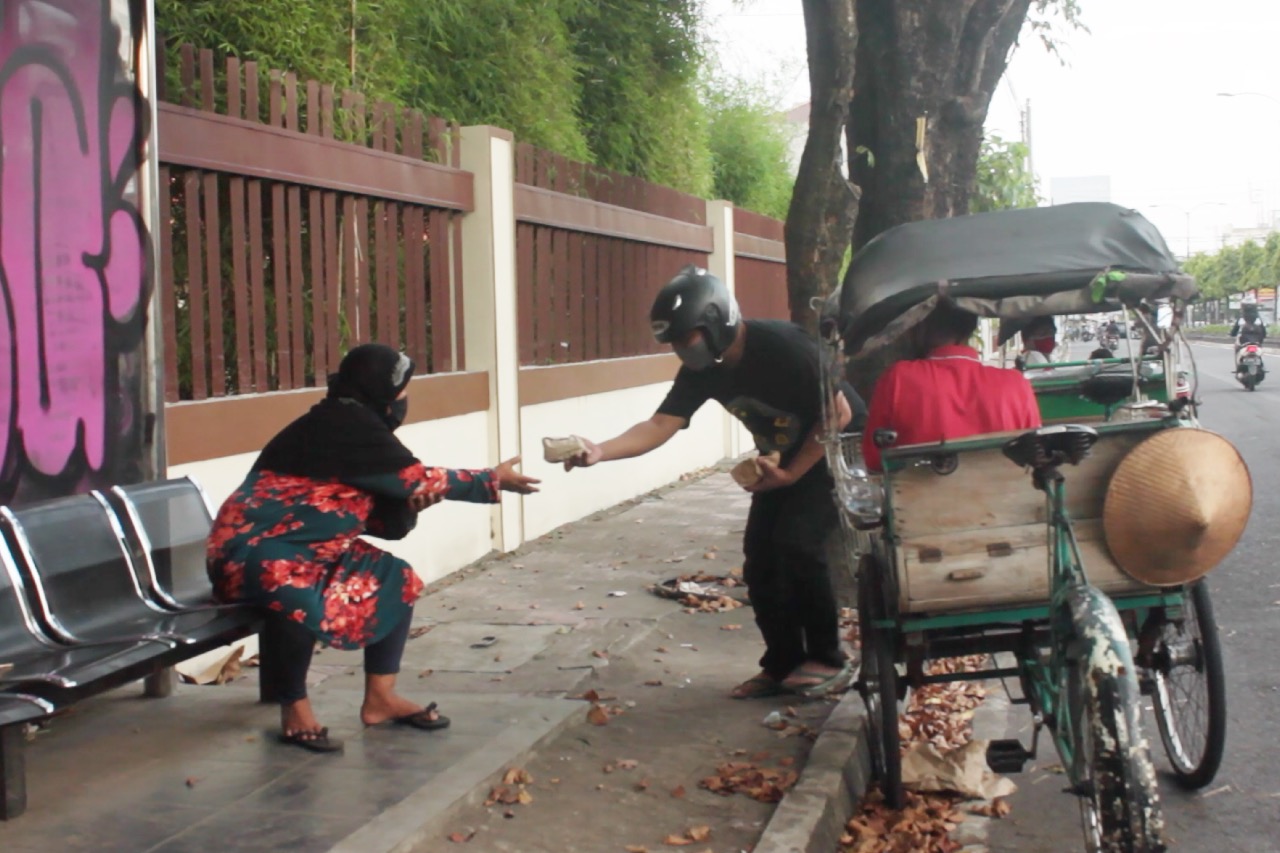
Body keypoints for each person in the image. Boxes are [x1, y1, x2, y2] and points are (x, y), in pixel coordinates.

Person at [206, 344, 539, 753]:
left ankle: (380, 699)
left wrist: (412, 504)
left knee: (394, 577)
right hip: (249, 555)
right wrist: (489, 480)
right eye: (400, 391)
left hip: (311, 551)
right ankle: (294, 708)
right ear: (379, 390)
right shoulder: (340, 423)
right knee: (290, 586)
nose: (403, 400)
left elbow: (388, 518)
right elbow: (415, 477)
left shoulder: (361, 428)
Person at [562, 266, 866, 700]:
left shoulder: (785, 347)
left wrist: (792, 475)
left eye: (688, 340)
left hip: (834, 448)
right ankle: (781, 664)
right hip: (781, 462)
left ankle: (826, 658)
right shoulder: (705, 371)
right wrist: (600, 451)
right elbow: (662, 423)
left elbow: (838, 414)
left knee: (798, 542)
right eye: (675, 344)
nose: (683, 352)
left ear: (716, 322)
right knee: (759, 559)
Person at [862, 300, 1042, 472]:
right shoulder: (1016, 384)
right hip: (1008, 501)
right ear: (971, 327)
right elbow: (1036, 454)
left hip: (922, 502)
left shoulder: (897, 379)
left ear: (919, 326)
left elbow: (874, 460)